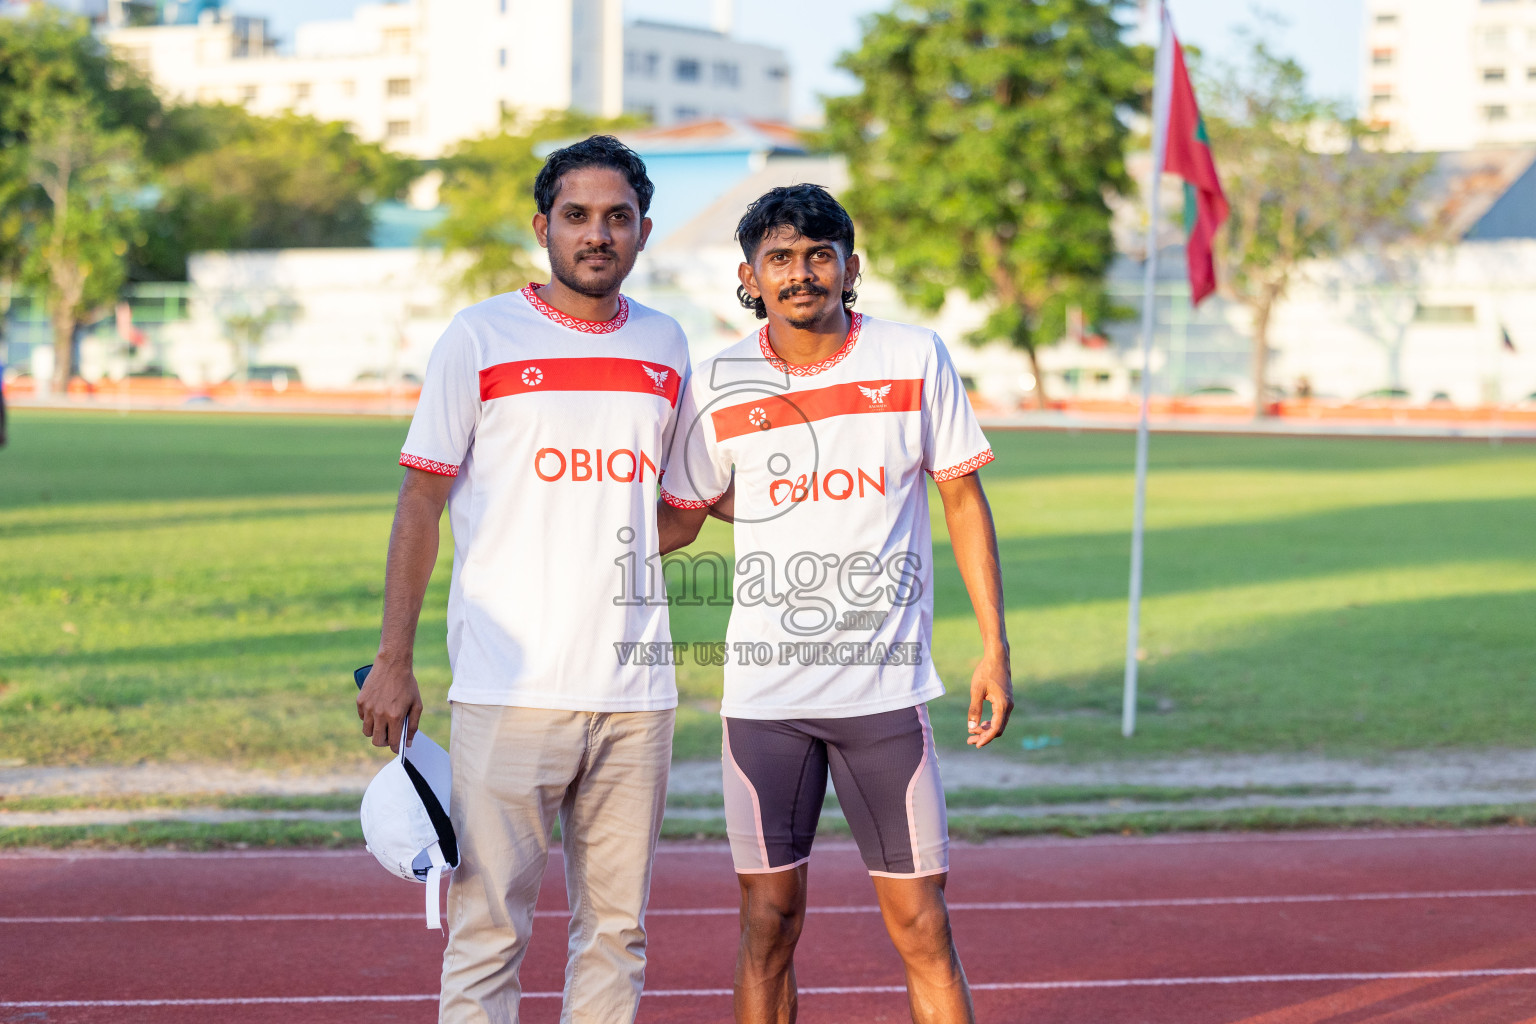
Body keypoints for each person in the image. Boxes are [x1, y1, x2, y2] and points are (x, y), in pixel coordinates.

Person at [657, 184, 1013, 1024]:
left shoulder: (913, 355)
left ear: (851, 267)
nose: (801, 272)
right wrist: (568, 522)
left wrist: (994, 648)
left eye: (820, 254)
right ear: (749, 276)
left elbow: (963, 499)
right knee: (767, 925)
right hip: (765, 701)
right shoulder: (716, 380)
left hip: (884, 697)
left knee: (922, 925)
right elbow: (685, 508)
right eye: (779, 257)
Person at [357, 135, 691, 1024]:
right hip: (508, 688)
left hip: (635, 694)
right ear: (542, 227)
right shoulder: (480, 336)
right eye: (576, 217)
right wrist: (395, 658)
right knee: (489, 931)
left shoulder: (667, 344)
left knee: (617, 934)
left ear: (643, 231)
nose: (597, 235)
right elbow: (421, 499)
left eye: (617, 218)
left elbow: (685, 504)